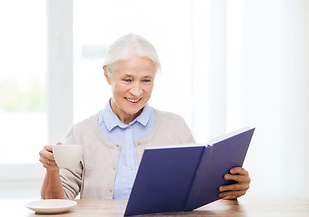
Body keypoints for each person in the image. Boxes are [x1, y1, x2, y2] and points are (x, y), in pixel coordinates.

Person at [39, 33, 250, 200]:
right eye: (127, 80)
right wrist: (52, 171)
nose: (137, 91)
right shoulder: (81, 133)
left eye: (146, 80)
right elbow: (56, 200)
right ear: (107, 75)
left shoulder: (175, 127)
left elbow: (195, 191)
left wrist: (231, 189)